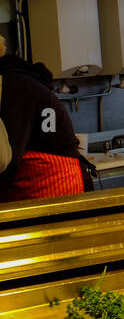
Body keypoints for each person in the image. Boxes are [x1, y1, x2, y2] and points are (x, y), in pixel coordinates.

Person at [0, 35, 85, 201]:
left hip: (50, 182)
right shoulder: (16, 78)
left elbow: (8, 159)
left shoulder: (12, 85)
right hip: (44, 178)